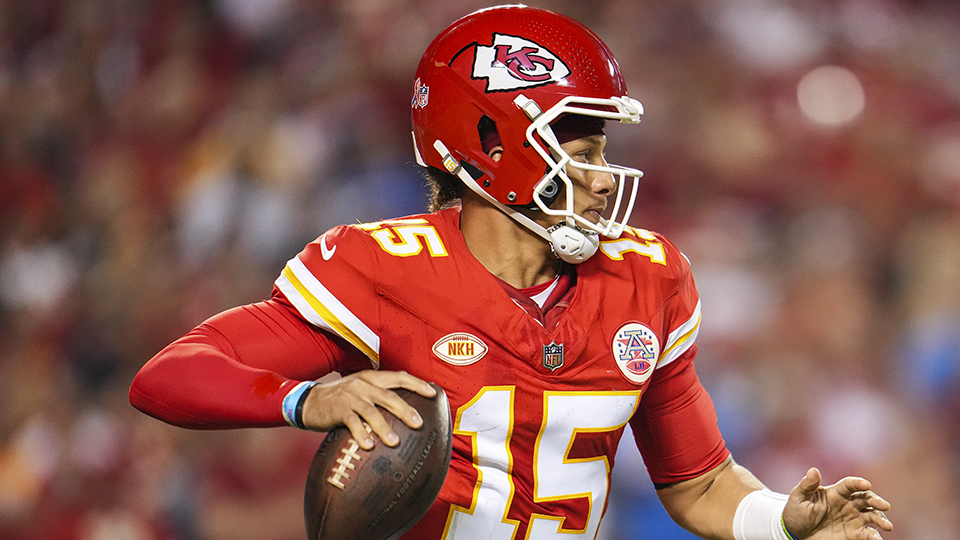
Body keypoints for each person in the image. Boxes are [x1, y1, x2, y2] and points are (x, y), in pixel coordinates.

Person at [129, 5, 893, 540]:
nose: (602, 177)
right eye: (582, 150)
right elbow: (168, 377)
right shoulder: (381, 268)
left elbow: (694, 483)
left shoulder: (648, 279)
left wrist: (779, 524)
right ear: (491, 143)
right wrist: (309, 398)